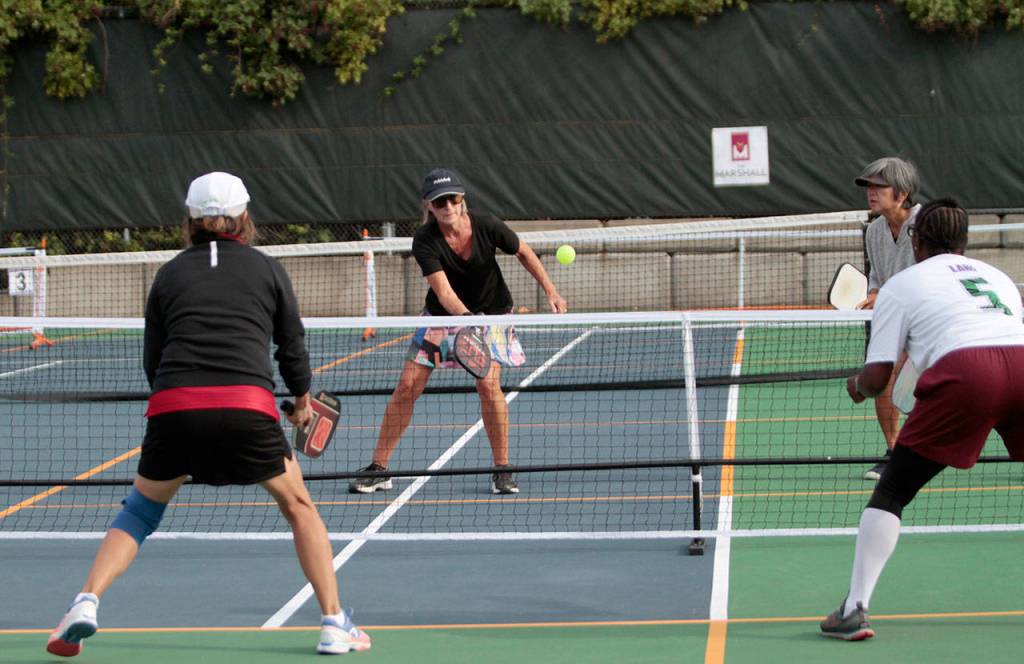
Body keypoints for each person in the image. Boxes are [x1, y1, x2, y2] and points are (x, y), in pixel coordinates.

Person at [45, 172, 370, 657]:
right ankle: (333, 622)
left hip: (174, 407)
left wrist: (180, 414)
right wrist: (301, 403)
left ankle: (86, 602)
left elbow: (153, 359)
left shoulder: (169, 273)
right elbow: (292, 348)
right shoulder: (267, 269)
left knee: (139, 511)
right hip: (247, 408)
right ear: (245, 218)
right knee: (299, 507)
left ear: (190, 221)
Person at [820, 197, 1024, 640]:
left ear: (917, 239)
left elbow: (879, 377)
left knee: (893, 488)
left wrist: (857, 387)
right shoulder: (999, 277)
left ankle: (855, 609)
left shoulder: (901, 285)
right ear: (964, 241)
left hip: (968, 374)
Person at [349, 167, 567, 495]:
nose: (448, 206)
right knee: (407, 387)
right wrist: (467, 321)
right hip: (442, 317)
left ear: (462, 199)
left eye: (453, 198)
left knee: (487, 385)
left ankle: (502, 470)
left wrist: (551, 289)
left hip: (493, 315)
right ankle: (379, 467)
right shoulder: (425, 240)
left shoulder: (487, 225)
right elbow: (444, 293)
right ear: (429, 206)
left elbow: (523, 251)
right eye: (440, 202)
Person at [854, 157, 923, 480]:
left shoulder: (926, 223)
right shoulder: (874, 232)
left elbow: (932, 273)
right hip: (893, 318)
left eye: (880, 185)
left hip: (929, 317)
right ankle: (894, 450)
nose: (871, 191)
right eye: (869, 185)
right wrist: (874, 293)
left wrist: (887, 294)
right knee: (882, 377)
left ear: (902, 192)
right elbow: (877, 279)